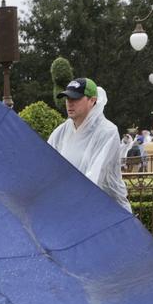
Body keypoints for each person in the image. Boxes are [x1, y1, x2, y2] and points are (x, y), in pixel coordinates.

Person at [47, 77, 131, 211]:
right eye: (68, 98)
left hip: (109, 210)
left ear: (92, 101)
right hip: (71, 210)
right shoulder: (61, 132)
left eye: (76, 98)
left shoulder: (107, 131)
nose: (69, 103)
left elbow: (95, 175)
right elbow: (46, 163)